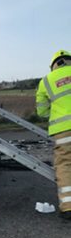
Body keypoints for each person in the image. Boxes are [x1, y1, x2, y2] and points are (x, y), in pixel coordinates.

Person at [36, 50, 71, 219]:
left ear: (54, 65)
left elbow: (42, 112)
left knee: (65, 165)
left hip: (64, 131)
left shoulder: (46, 81)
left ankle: (68, 207)